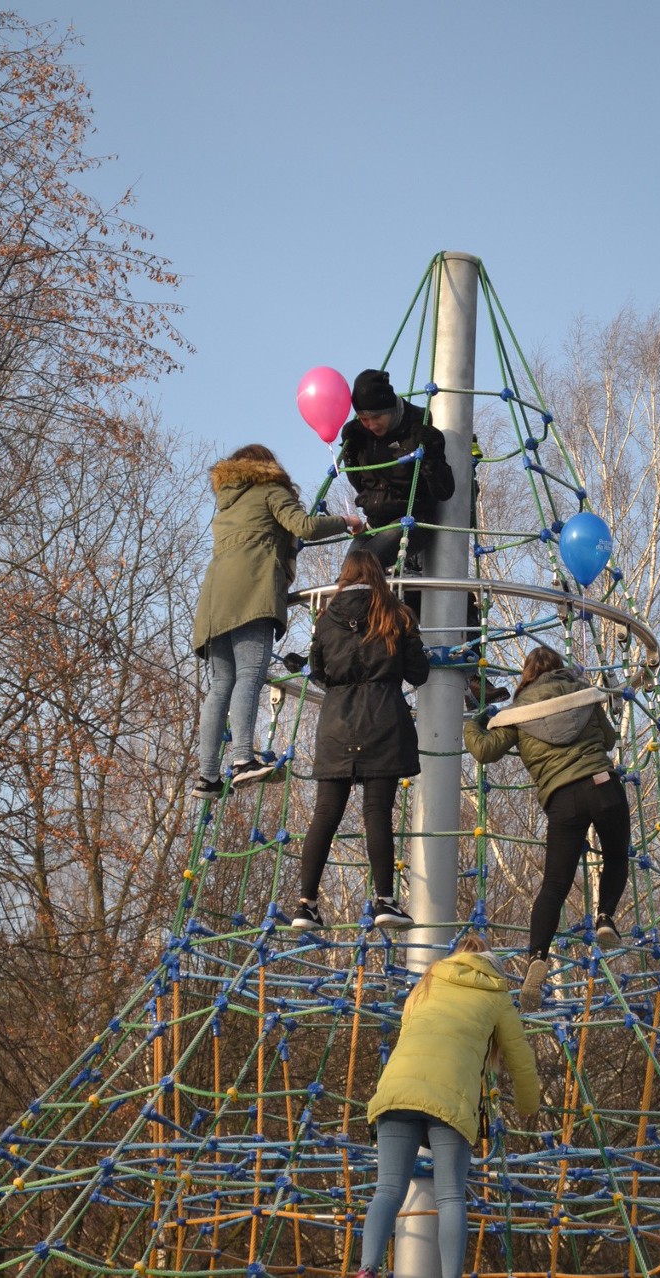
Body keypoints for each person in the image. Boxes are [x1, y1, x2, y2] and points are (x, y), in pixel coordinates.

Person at [356, 932, 540, 1278]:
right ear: (494, 967)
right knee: (451, 1196)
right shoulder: (496, 995)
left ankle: (367, 1268)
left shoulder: (427, 983)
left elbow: (408, 1030)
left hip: (397, 1089)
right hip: (451, 1098)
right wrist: (530, 1104)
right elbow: (520, 1058)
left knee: (388, 1189)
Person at [464, 644, 631, 1011]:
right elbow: (608, 739)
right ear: (559, 668)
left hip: (562, 798)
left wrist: (473, 720)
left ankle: (537, 957)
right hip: (603, 784)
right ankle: (605, 918)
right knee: (618, 856)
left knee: (554, 885)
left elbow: (485, 750)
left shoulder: (519, 712)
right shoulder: (583, 694)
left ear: (527, 674)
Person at [191, 444, 363, 800]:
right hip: (251, 589)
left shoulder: (227, 503)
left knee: (221, 684)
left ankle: (206, 777)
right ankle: (242, 760)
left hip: (213, 598)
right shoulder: (270, 489)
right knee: (249, 677)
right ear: (267, 466)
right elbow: (303, 526)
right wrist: (345, 523)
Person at [291, 547, 430, 930]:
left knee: (325, 814)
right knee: (377, 812)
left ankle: (306, 905)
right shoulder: (397, 614)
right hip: (384, 718)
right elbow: (418, 673)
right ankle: (384, 900)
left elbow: (319, 671)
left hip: (336, 720)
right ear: (379, 575)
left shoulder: (326, 619)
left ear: (346, 576)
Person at [341, 369, 455, 575]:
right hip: (375, 523)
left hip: (411, 520)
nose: (372, 425)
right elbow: (363, 484)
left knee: (362, 569)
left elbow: (444, 491)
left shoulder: (416, 427)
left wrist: (431, 455)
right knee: (347, 576)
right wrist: (350, 456)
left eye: (376, 417)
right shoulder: (359, 433)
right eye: (364, 418)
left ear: (391, 408)